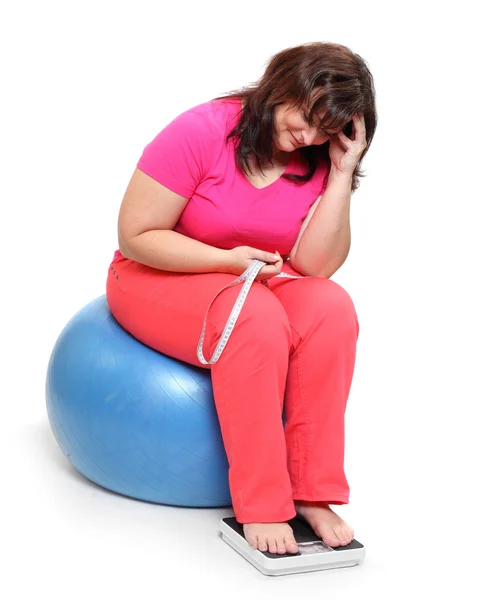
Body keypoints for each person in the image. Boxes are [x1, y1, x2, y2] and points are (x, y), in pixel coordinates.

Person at [106, 41, 377, 555]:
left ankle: (313, 492)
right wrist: (231, 261)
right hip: (151, 277)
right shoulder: (203, 130)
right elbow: (137, 235)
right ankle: (262, 503)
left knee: (330, 308)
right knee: (251, 317)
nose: (309, 135)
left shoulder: (319, 155)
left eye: (326, 128)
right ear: (280, 86)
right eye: (305, 116)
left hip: (247, 282)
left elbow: (316, 268)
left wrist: (341, 171)